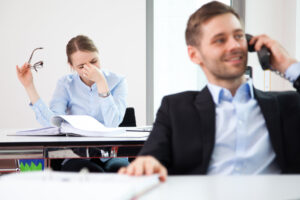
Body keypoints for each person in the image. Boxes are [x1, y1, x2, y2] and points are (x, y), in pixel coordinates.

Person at [118, 1, 300, 182]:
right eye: (220, 40)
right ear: (194, 54)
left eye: (238, 36)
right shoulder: (175, 108)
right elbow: (150, 158)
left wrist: (289, 66)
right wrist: (147, 163)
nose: (235, 46)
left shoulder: (288, 104)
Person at [16, 35, 129, 172]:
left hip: (112, 154)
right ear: (72, 66)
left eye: (94, 61)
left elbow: (112, 123)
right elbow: (53, 123)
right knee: (91, 173)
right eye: (81, 66)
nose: (90, 69)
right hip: (77, 155)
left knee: (120, 171)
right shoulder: (65, 84)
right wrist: (29, 86)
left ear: (99, 55)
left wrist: (101, 82)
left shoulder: (118, 81)